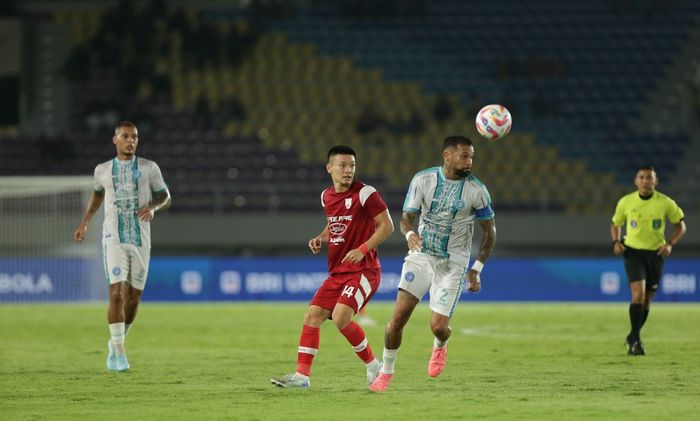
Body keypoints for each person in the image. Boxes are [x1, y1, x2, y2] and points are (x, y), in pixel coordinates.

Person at [370, 135, 496, 392]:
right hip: (422, 256)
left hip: (454, 263)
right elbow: (406, 217)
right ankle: (386, 372)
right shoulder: (423, 180)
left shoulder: (477, 190)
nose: (469, 162)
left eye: (471, 157)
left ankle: (440, 346)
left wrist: (478, 267)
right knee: (397, 319)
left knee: (438, 327)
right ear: (447, 156)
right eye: (464, 156)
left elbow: (490, 231)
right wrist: (409, 234)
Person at [271, 145, 394, 388]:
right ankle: (302, 377)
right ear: (329, 168)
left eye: (352, 166)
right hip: (338, 271)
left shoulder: (366, 193)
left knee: (340, 317)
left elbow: (387, 226)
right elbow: (335, 226)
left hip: (364, 270)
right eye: (342, 165)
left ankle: (373, 366)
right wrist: (321, 237)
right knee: (312, 315)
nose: (348, 171)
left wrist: (362, 249)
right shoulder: (326, 196)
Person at [74, 121, 171, 371]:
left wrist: (153, 207)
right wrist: (84, 222)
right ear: (115, 139)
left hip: (140, 238)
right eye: (125, 136)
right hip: (113, 238)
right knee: (116, 294)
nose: (131, 140)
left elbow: (165, 196)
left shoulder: (150, 168)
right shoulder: (103, 170)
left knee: (134, 298)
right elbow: (97, 195)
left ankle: (116, 341)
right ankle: (119, 354)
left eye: (135, 137)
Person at [611, 165, 686, 356]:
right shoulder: (626, 202)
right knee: (638, 295)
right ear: (636, 181)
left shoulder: (665, 202)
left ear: (656, 181)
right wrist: (616, 242)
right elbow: (616, 223)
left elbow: (681, 226)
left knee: (647, 300)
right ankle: (636, 340)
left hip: (655, 254)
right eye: (642, 177)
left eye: (649, 178)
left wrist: (670, 244)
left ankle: (632, 336)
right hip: (633, 252)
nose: (646, 181)